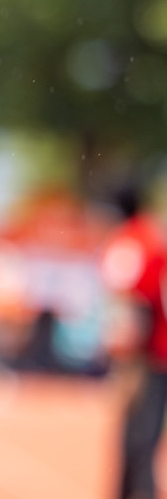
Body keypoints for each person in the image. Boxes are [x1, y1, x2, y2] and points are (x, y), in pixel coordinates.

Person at [99, 185, 167, 499]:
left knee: (138, 425)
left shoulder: (131, 241)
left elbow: (133, 297)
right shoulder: (153, 238)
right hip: (155, 348)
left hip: (145, 350)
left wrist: (125, 347)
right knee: (147, 426)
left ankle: (136, 490)